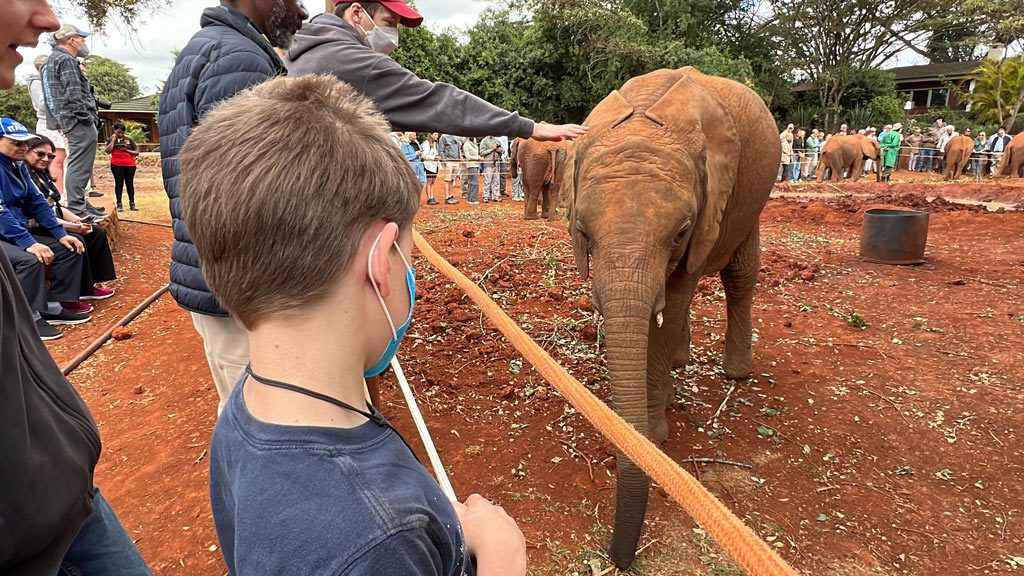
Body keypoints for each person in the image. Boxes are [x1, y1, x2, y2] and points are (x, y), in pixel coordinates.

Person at [178, 74, 527, 576]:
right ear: (382, 262)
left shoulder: (243, 410)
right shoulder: (380, 544)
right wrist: (503, 559)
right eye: (411, 257)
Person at [2, 7, 152, 574]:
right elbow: (13, 218)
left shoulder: (19, 168)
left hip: (64, 487)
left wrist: (62, 223)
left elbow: (38, 205)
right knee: (34, 254)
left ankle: (65, 300)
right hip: (26, 524)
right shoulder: (11, 166)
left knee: (74, 238)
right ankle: (52, 306)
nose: (45, 16)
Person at [159, 0, 308, 413]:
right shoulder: (238, 59)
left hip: (214, 270)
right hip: (241, 280)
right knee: (263, 413)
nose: (301, 11)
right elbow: (245, 191)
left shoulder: (208, 47)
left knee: (243, 400)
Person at [283, 0, 587, 147]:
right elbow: (439, 101)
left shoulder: (303, 46)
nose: (392, 33)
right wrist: (526, 126)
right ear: (358, 12)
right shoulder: (356, 61)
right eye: (388, 21)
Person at [0, 117, 92, 337]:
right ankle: (27, 318)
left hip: (14, 229)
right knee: (30, 260)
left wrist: (61, 234)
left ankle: (53, 306)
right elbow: (0, 213)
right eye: (16, 143)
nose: (24, 147)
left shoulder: (18, 166)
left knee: (69, 247)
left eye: (25, 143)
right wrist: (29, 243)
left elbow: (38, 203)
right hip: (5, 232)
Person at [27, 134, 117, 299]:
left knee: (95, 232)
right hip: (33, 228)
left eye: (50, 156)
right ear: (25, 151)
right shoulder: (24, 178)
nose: (46, 159)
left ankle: (89, 287)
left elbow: (56, 206)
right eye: (40, 154)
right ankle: (65, 299)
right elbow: (39, 216)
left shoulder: (42, 176)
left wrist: (78, 221)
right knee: (74, 241)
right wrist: (72, 227)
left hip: (49, 223)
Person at [41, 24, 106, 220]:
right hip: (77, 121)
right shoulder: (66, 60)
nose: (84, 42)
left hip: (65, 120)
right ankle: (78, 208)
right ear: (71, 40)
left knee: (77, 162)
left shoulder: (50, 61)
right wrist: (87, 118)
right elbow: (74, 94)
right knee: (80, 164)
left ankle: (80, 202)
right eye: (81, 38)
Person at [27, 54, 68, 196]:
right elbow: (44, 105)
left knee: (63, 160)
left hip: (58, 124)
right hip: (48, 124)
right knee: (55, 160)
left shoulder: (48, 82)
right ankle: (60, 195)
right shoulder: (37, 82)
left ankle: (65, 194)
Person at [104, 121, 140, 211]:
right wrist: (113, 140)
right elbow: (107, 151)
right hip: (116, 164)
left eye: (122, 133)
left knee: (130, 183)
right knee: (119, 183)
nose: (120, 134)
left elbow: (137, 152)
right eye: (118, 132)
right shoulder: (111, 139)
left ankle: (132, 203)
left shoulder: (129, 139)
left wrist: (126, 150)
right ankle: (119, 203)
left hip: (129, 164)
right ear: (114, 130)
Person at [439, 132, 462, 204]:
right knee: (447, 179)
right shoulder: (444, 136)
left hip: (456, 161)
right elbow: (441, 150)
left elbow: (459, 148)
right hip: (448, 161)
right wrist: (444, 161)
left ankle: (451, 196)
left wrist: (460, 157)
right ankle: (447, 197)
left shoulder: (457, 136)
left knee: (452, 179)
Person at [479, 134, 503, 202]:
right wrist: (491, 149)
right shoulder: (484, 141)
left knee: (496, 180)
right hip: (488, 163)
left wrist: (499, 150)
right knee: (487, 180)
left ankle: (495, 196)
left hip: (497, 163)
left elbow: (502, 151)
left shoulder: (497, 140)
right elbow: (481, 152)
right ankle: (486, 196)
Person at [420, 131, 439, 205]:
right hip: (428, 165)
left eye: (437, 134)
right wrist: (434, 157)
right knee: (429, 181)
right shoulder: (426, 143)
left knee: (433, 182)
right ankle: (429, 198)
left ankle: (432, 197)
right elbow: (424, 155)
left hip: (435, 165)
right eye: (435, 134)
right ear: (431, 135)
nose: (436, 136)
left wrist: (437, 157)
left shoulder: (435, 143)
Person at [461, 136, 481, 205]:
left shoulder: (474, 143)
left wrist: (479, 157)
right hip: (471, 165)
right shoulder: (466, 144)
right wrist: (477, 158)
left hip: (476, 164)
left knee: (472, 182)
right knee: (474, 182)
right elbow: (468, 156)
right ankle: (473, 199)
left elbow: (476, 153)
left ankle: (470, 198)